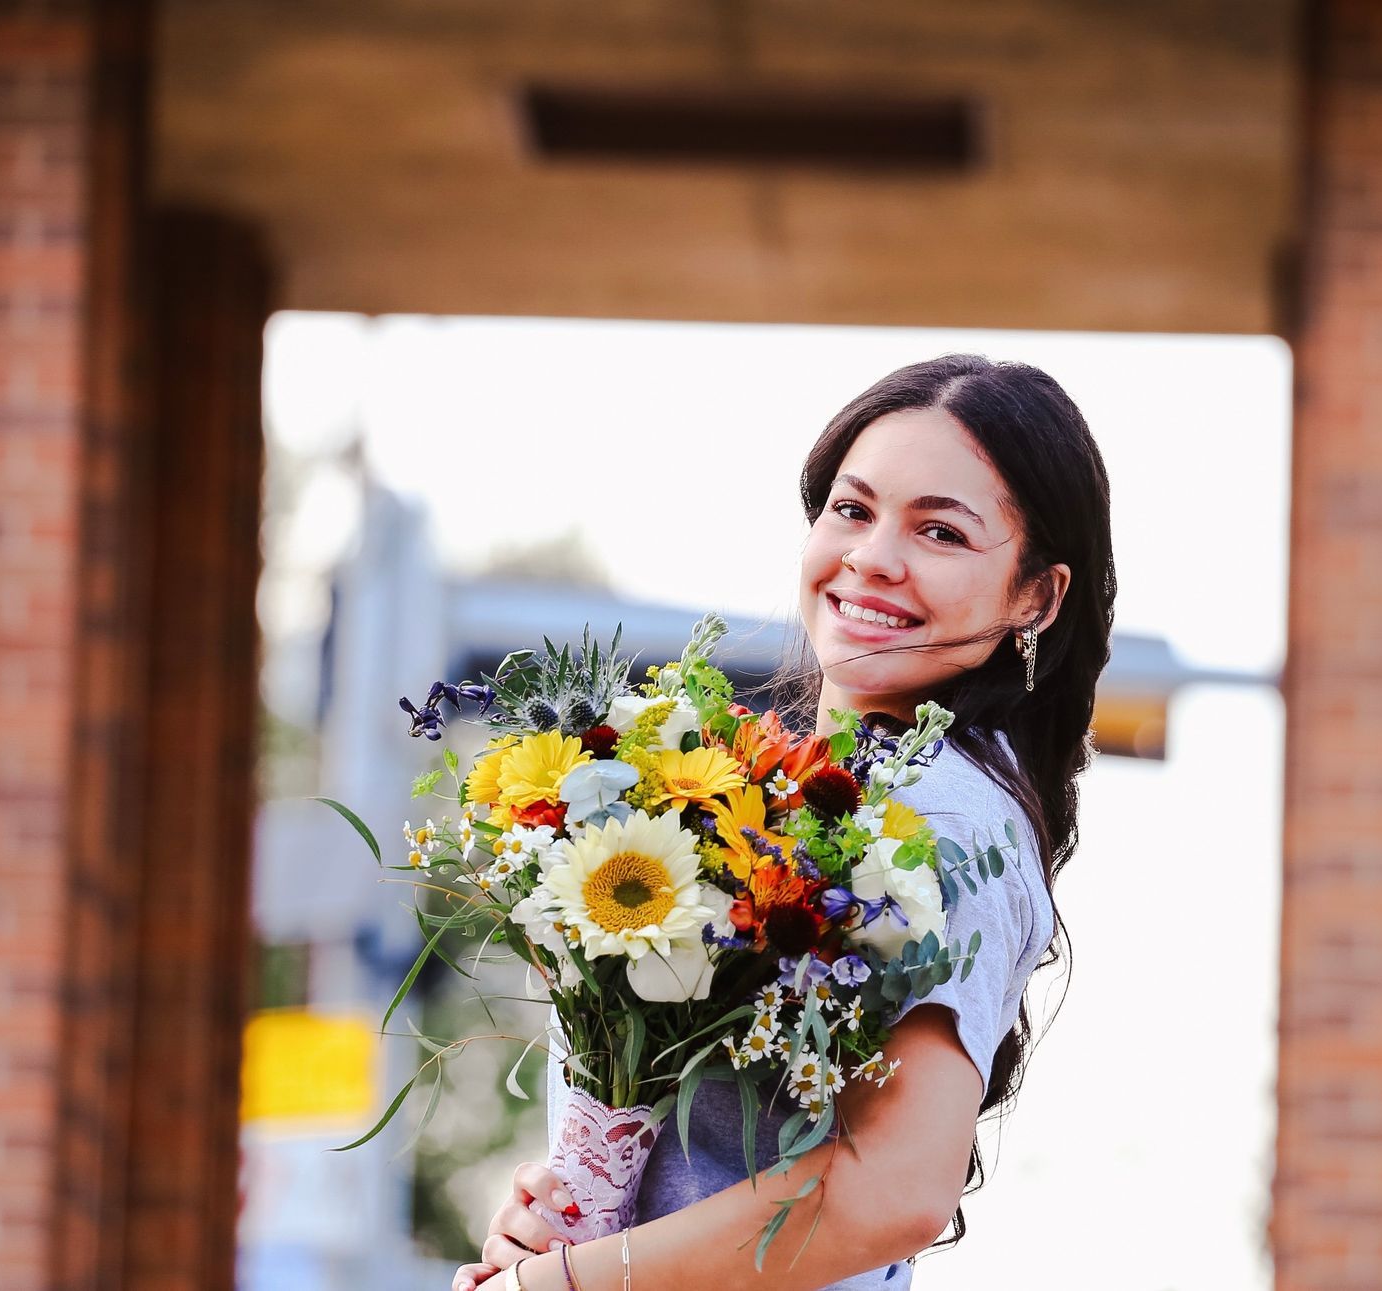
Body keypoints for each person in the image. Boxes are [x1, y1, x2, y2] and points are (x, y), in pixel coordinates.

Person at [451, 354, 1117, 1291]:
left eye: (939, 531)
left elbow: (897, 1188)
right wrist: (568, 1208)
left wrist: (569, 1282)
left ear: (1035, 598)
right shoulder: (760, 784)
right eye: (853, 509)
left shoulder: (945, 818)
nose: (873, 555)